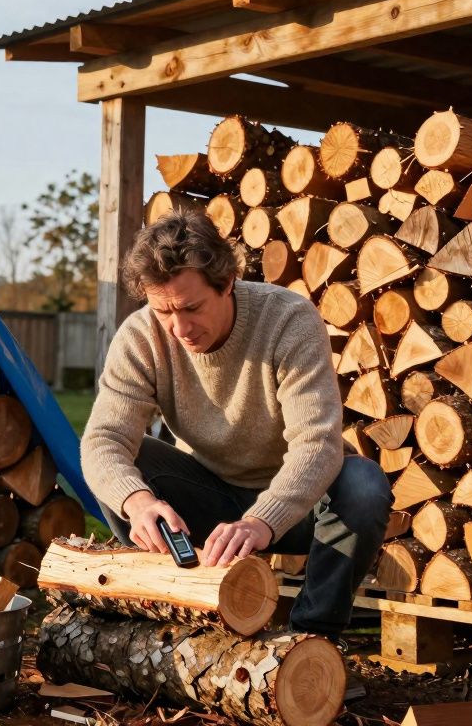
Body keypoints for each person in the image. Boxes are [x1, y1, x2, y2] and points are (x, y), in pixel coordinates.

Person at [80, 209, 392, 638]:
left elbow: (317, 443)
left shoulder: (288, 319)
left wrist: (262, 520)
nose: (179, 328)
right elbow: (103, 441)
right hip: (205, 497)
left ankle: (310, 639)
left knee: (363, 484)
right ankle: (182, 622)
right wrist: (138, 503)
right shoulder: (141, 336)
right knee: (122, 473)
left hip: (300, 507)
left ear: (226, 283)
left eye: (191, 308)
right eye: (163, 310)